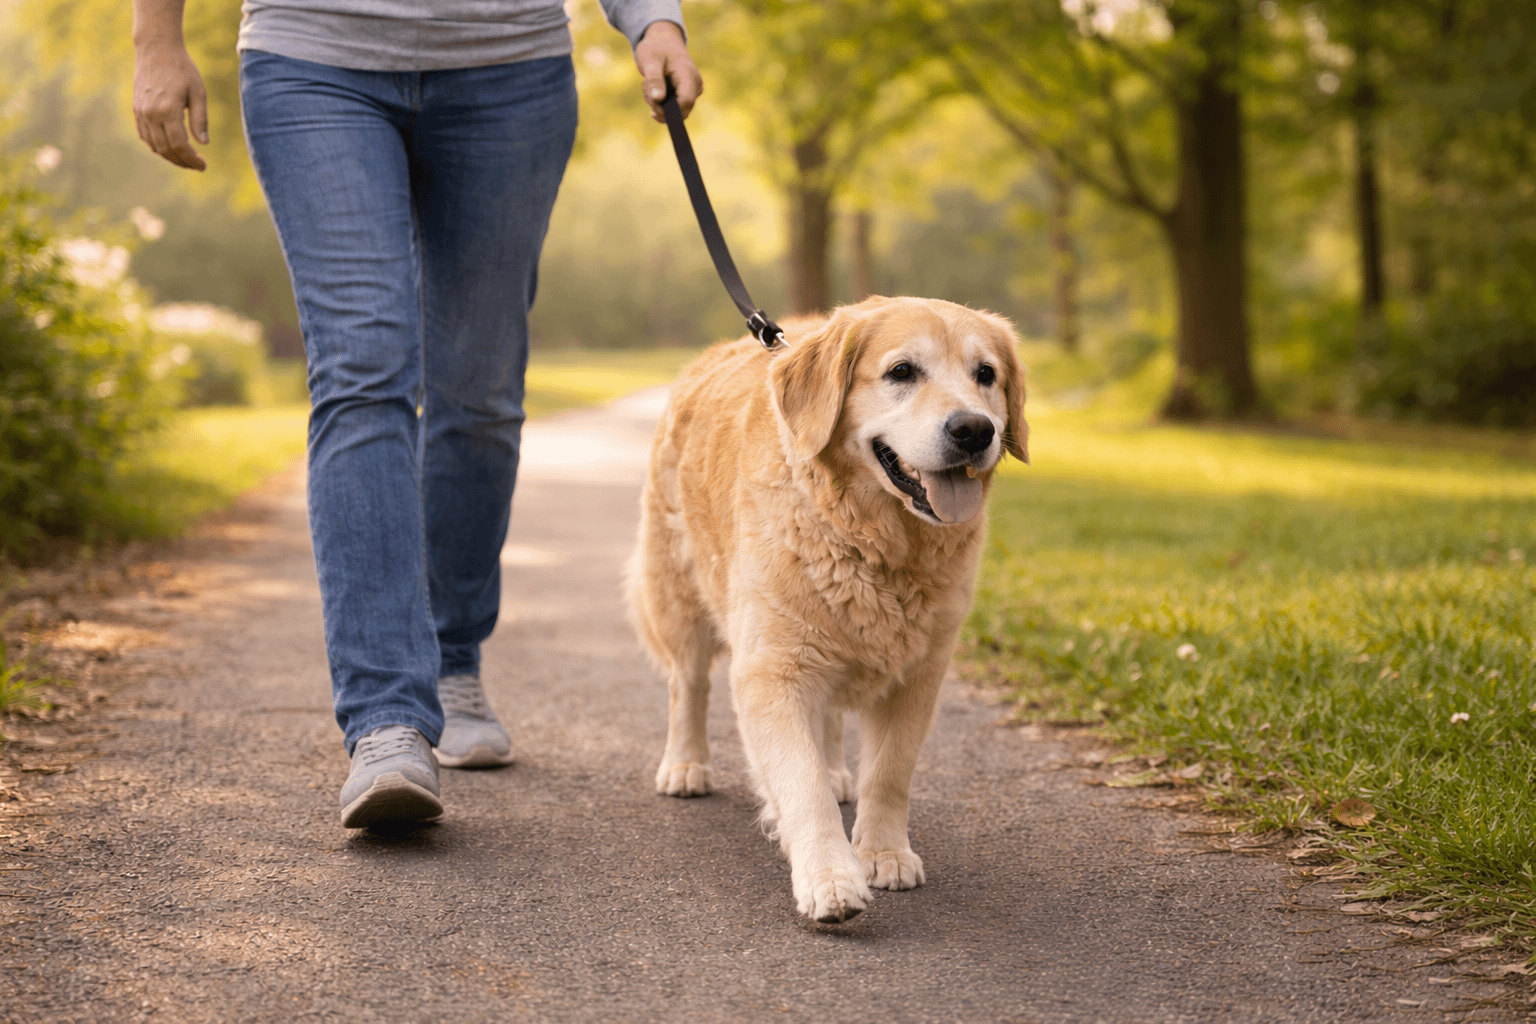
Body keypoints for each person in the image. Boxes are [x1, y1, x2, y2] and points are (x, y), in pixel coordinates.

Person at [130, 0, 703, 829]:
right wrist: (157, 40)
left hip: (509, 72)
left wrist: (655, 22)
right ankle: (386, 721)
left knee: (480, 395)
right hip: (314, 55)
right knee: (363, 369)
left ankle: (453, 655)